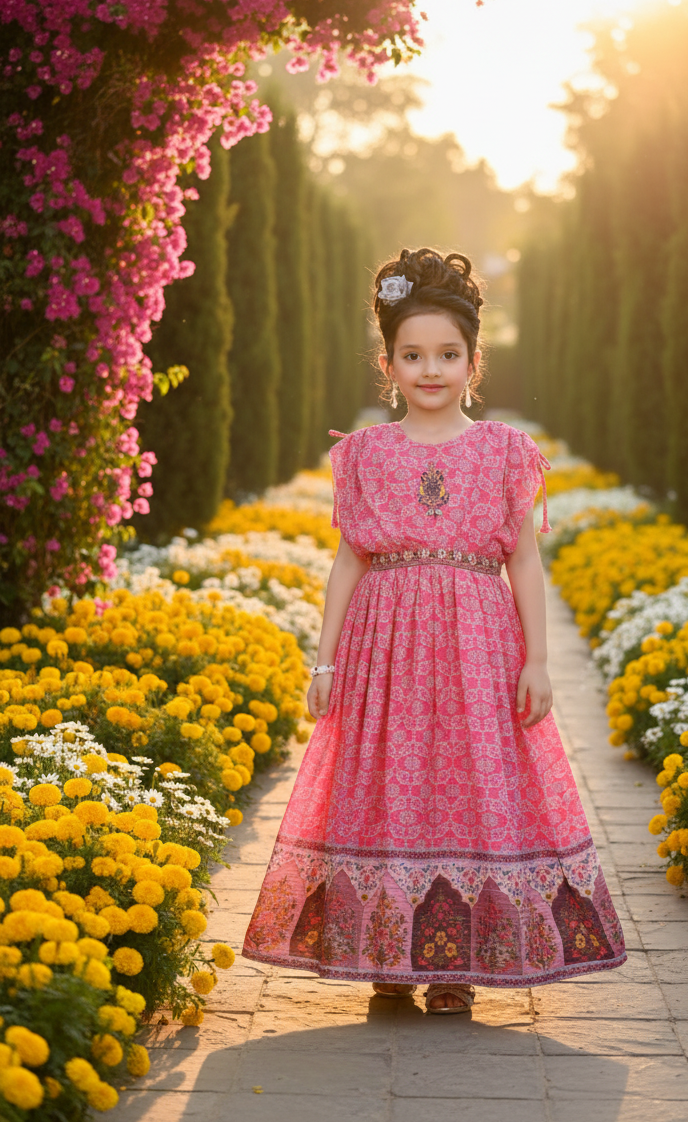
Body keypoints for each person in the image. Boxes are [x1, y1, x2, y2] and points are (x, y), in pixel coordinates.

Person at [242, 247, 626, 1013]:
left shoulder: (505, 451)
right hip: (384, 651)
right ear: (387, 363)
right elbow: (348, 562)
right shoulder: (364, 454)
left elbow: (525, 560)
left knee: (472, 788)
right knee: (386, 786)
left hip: (479, 649)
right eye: (412, 354)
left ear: (474, 362)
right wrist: (325, 663)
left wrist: (539, 662)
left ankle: (457, 964)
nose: (430, 369)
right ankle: (388, 950)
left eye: (448, 354)